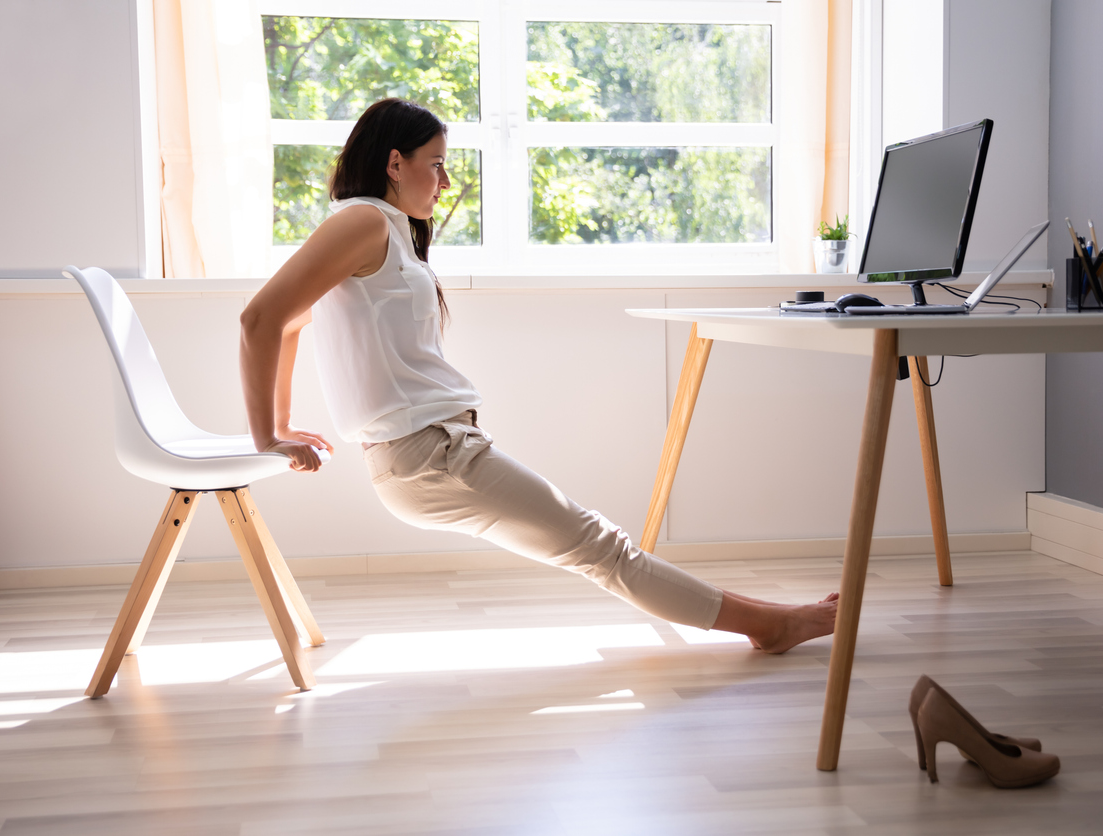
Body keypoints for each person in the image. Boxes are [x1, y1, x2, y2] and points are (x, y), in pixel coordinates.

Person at [239, 98, 837, 653]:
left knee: (600, 548)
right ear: (395, 162)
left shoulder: (378, 228)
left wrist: (285, 421)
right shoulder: (364, 220)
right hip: (430, 453)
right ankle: (772, 626)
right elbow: (261, 318)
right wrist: (269, 434)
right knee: (604, 550)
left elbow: (288, 323)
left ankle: (768, 618)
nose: (445, 183)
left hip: (433, 450)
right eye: (437, 165)